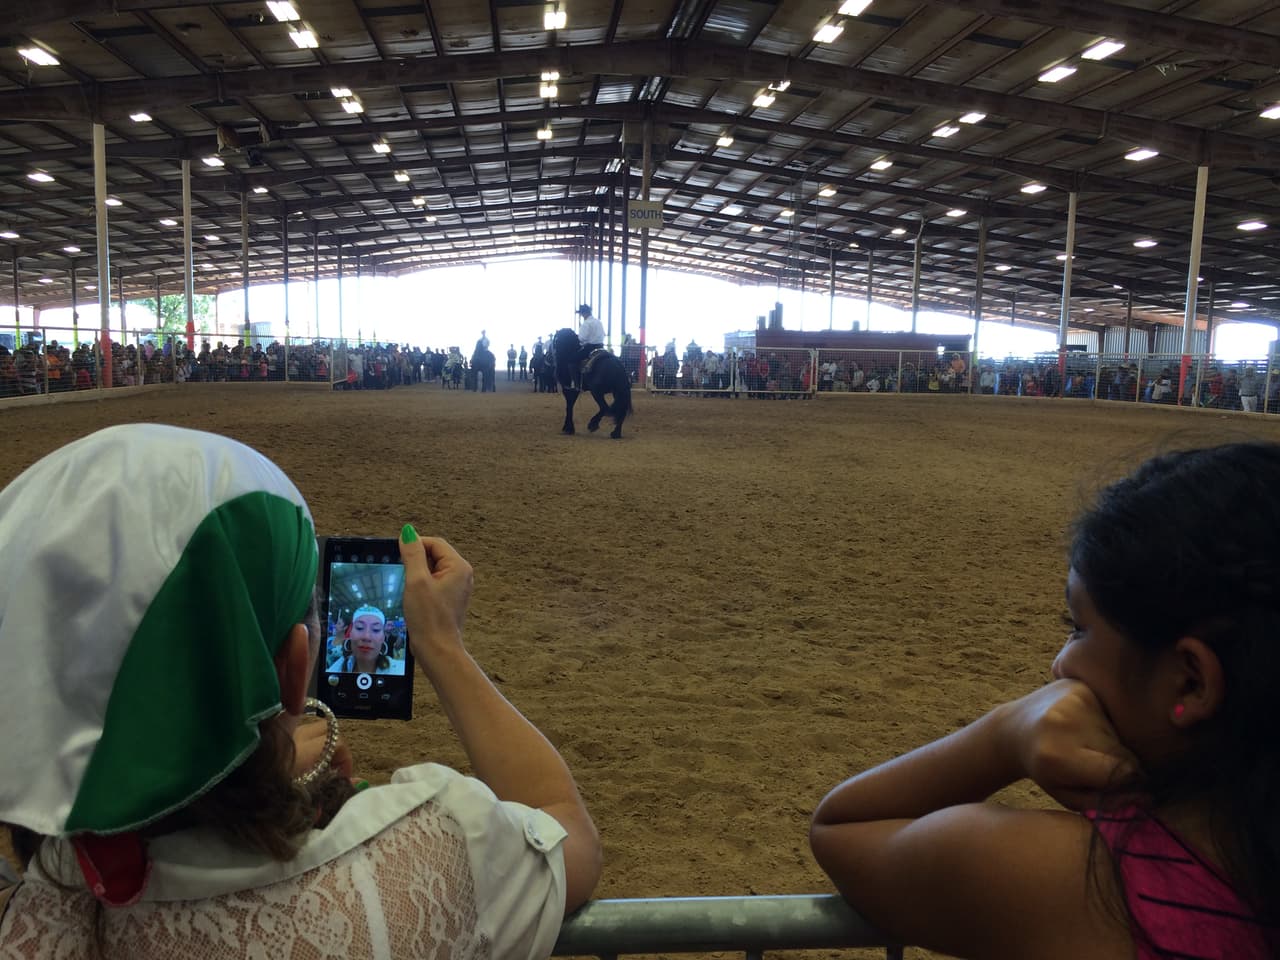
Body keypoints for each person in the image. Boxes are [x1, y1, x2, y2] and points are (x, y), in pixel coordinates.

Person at [0, 424, 601, 958]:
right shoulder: (428, 853)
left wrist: (256, 773)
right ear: (293, 669)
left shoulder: (47, 895)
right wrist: (443, 645)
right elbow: (566, 828)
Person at [810, 443, 1279, 959]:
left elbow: (843, 828)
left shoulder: (1081, 887)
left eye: (1078, 628)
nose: (1059, 664)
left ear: (1190, 682)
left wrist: (1004, 735)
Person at [329, 604, 405, 675]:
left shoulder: (399, 670)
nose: (367, 637)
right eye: (359, 628)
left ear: (383, 638)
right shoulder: (337, 668)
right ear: (350, 634)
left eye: (376, 629)